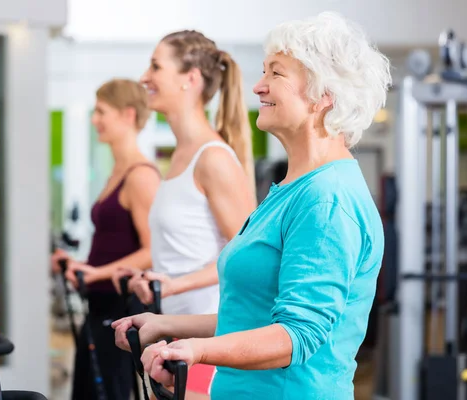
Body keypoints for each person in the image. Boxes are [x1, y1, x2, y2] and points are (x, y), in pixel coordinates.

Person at [112, 11, 392, 399]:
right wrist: (167, 326)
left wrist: (195, 351)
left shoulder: (327, 198)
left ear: (325, 94)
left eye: (276, 74)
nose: (258, 86)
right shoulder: (291, 191)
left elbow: (296, 336)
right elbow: (249, 316)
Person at [110, 30, 257, 397]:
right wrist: (153, 278)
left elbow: (249, 258)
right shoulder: (179, 156)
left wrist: (175, 284)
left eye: (156, 66)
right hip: (174, 333)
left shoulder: (214, 158)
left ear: (190, 80)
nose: (145, 77)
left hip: (207, 340)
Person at [50, 78, 161, 400]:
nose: (94, 119)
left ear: (128, 115)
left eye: (101, 112)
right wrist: (79, 265)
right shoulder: (117, 172)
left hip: (121, 309)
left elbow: (151, 251)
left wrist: (97, 274)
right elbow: (113, 246)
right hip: (99, 307)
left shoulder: (140, 176)